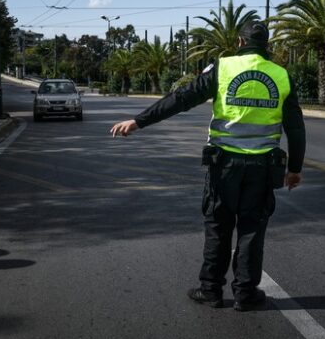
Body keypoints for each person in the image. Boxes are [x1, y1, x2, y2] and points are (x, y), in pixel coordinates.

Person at [110, 21, 306, 311]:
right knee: (252, 230)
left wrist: (139, 121)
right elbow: (296, 127)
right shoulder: (281, 76)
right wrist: (295, 169)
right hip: (263, 168)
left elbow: (181, 98)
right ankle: (246, 294)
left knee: (218, 226)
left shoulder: (223, 68)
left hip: (224, 166)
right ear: (267, 46)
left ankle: (211, 290)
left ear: (239, 43)